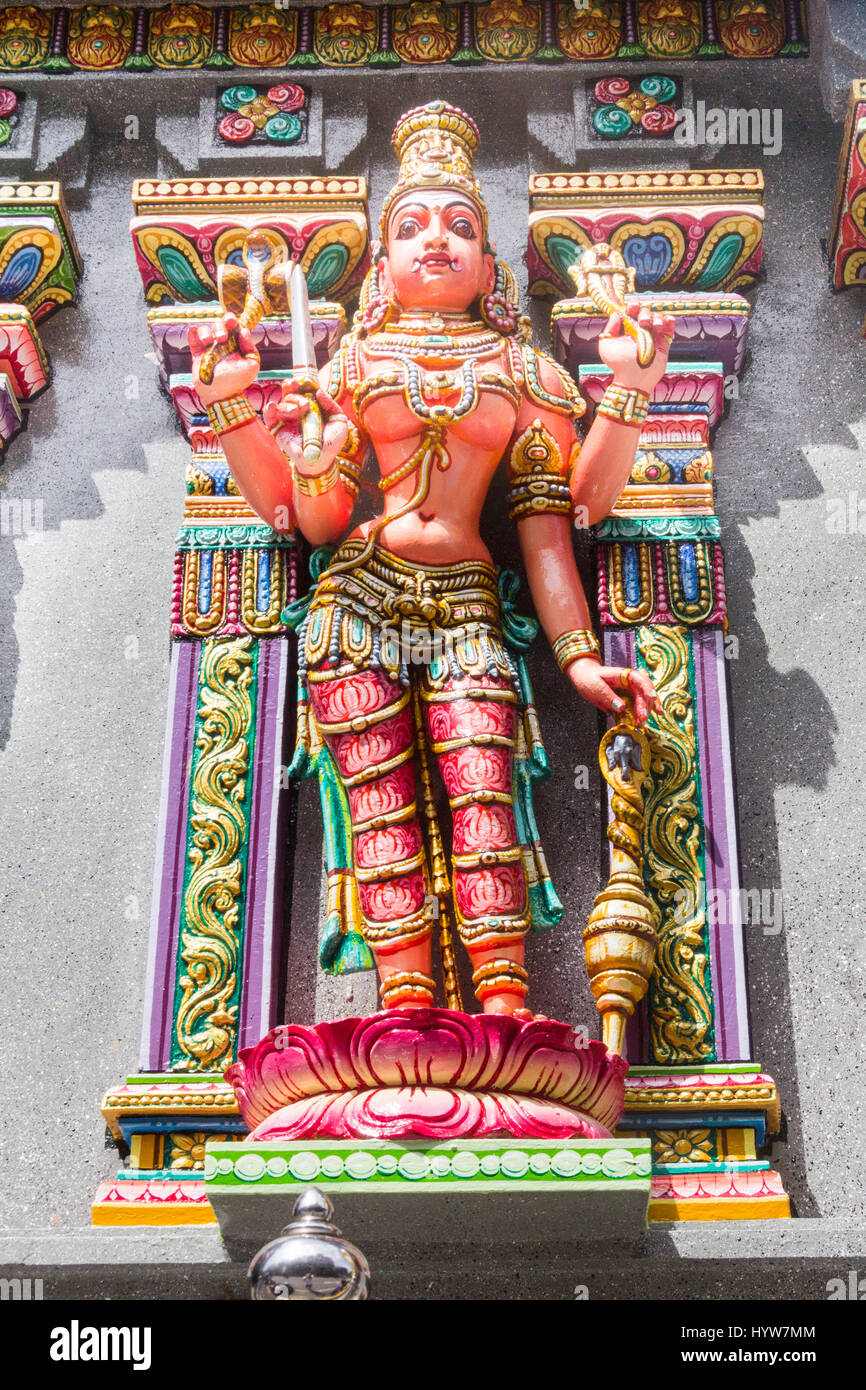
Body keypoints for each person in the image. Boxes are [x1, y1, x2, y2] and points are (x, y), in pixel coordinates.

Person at [190, 101, 673, 1019]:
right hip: (358, 600)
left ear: (492, 267)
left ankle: (503, 1009)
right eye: (410, 227)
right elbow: (314, 519)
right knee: (379, 806)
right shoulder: (352, 366)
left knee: (484, 788)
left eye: (461, 225)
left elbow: (564, 519)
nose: (436, 241)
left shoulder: (525, 373)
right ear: (382, 265)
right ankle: (405, 1006)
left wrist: (631, 391)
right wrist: (245, 415)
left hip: (465, 609)